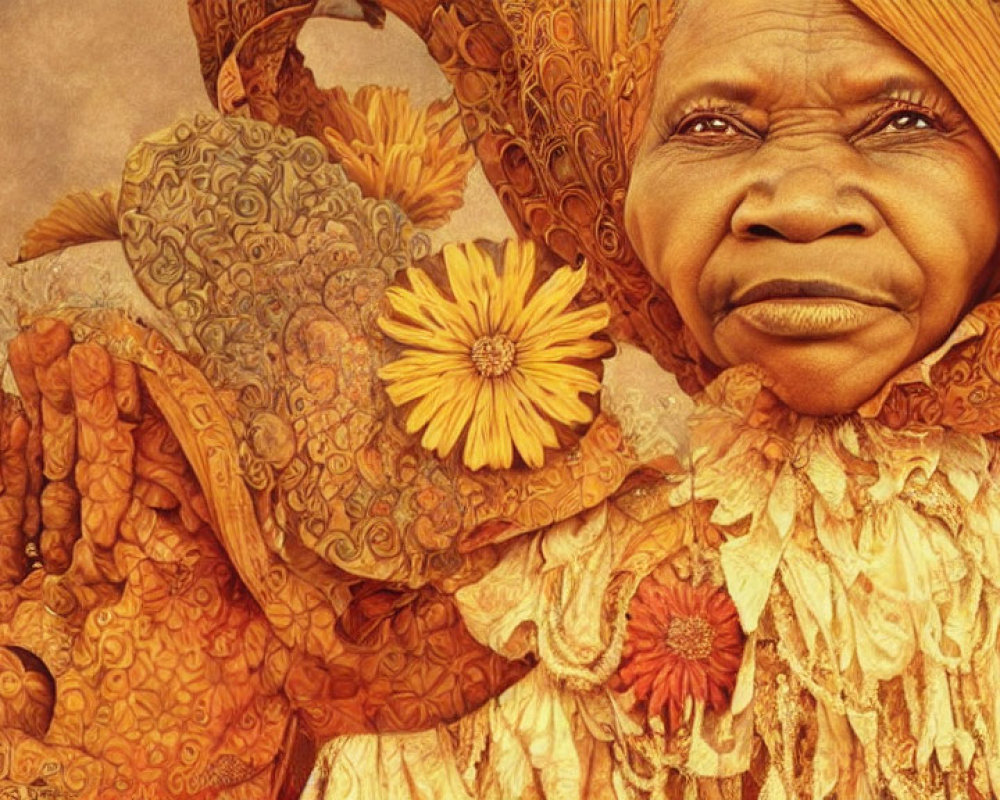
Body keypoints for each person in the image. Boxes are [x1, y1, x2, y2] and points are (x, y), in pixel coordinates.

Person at [1, 1, 999, 799]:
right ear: (614, 189)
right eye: (709, 124)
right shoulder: (508, 601)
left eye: (904, 120)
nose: (797, 203)